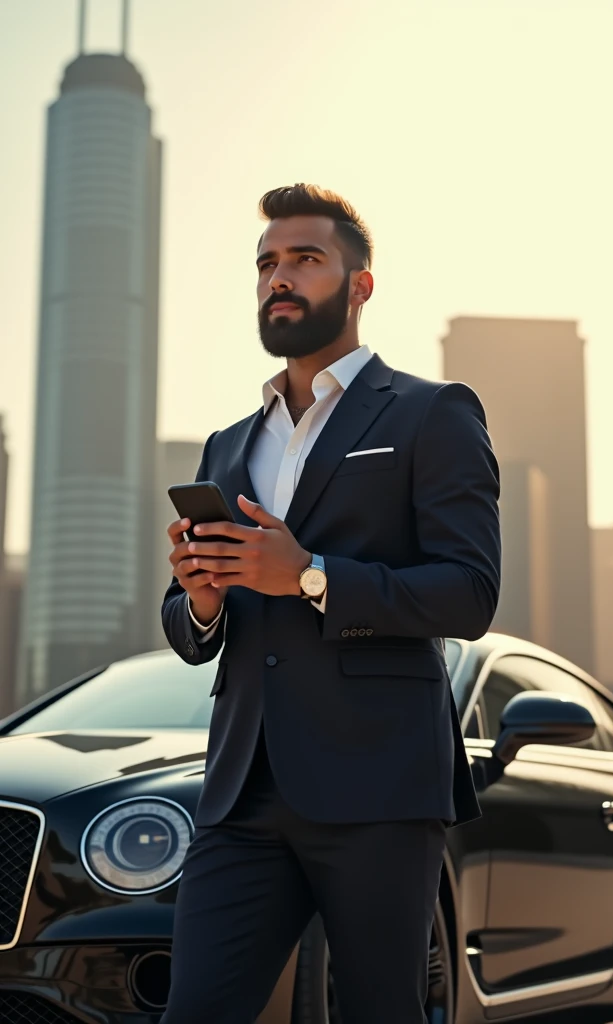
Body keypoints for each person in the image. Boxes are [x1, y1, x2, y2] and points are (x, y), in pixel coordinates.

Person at [160, 183, 501, 1024]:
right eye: (268, 264)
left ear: (360, 284)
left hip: (379, 786)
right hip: (242, 792)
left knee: (381, 1013)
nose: (281, 277)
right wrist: (201, 598)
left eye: (305, 259)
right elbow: (187, 626)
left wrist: (310, 574)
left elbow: (470, 591)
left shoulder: (431, 413)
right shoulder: (230, 444)